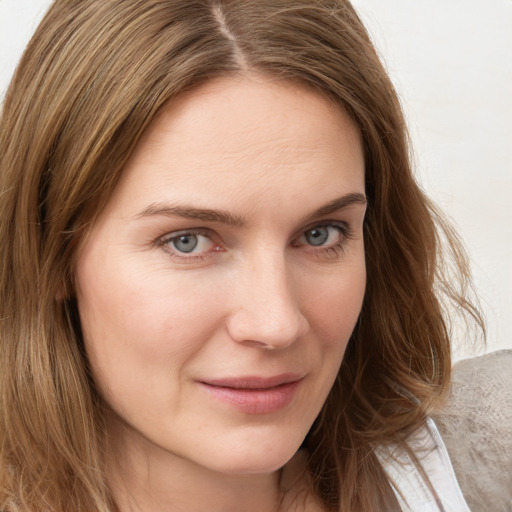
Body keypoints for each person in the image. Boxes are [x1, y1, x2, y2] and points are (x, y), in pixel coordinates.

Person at [0, 1, 483, 511]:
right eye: (188, 241)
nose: (277, 324)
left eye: (320, 234)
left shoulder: (486, 465)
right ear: (51, 252)